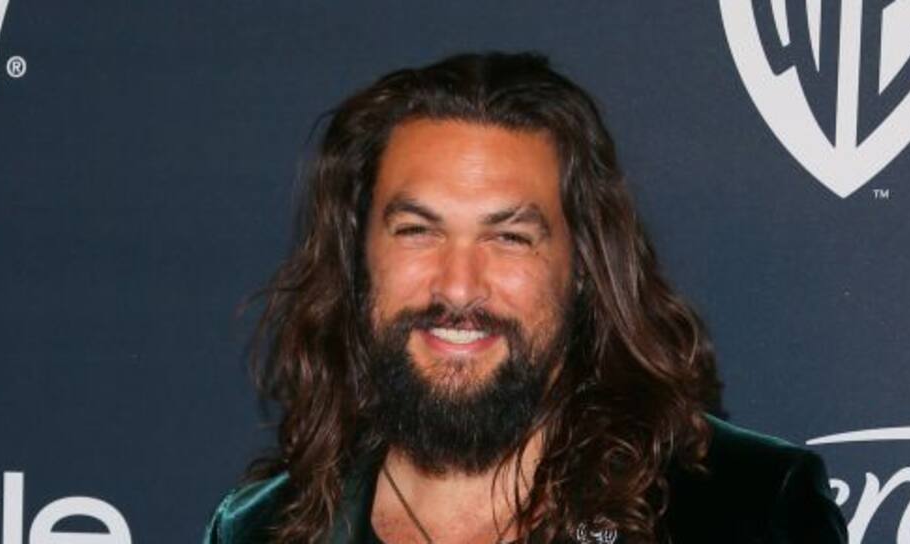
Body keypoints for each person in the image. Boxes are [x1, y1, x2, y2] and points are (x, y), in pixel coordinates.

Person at [204, 51, 847, 543]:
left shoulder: (746, 508)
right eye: (418, 231)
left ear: (584, 266)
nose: (458, 285)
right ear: (357, 256)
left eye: (509, 237)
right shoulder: (257, 530)